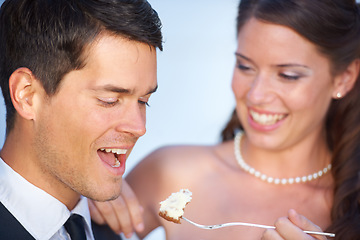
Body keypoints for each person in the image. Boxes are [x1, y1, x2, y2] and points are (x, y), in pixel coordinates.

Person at [90, 0, 360, 239]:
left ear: (344, 78)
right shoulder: (172, 173)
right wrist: (81, 199)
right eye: (245, 66)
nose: (256, 95)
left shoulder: (352, 202)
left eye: (287, 75)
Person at [0, 0, 162, 239]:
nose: (139, 127)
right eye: (109, 100)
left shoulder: (111, 228)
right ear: (27, 95)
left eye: (143, 101)